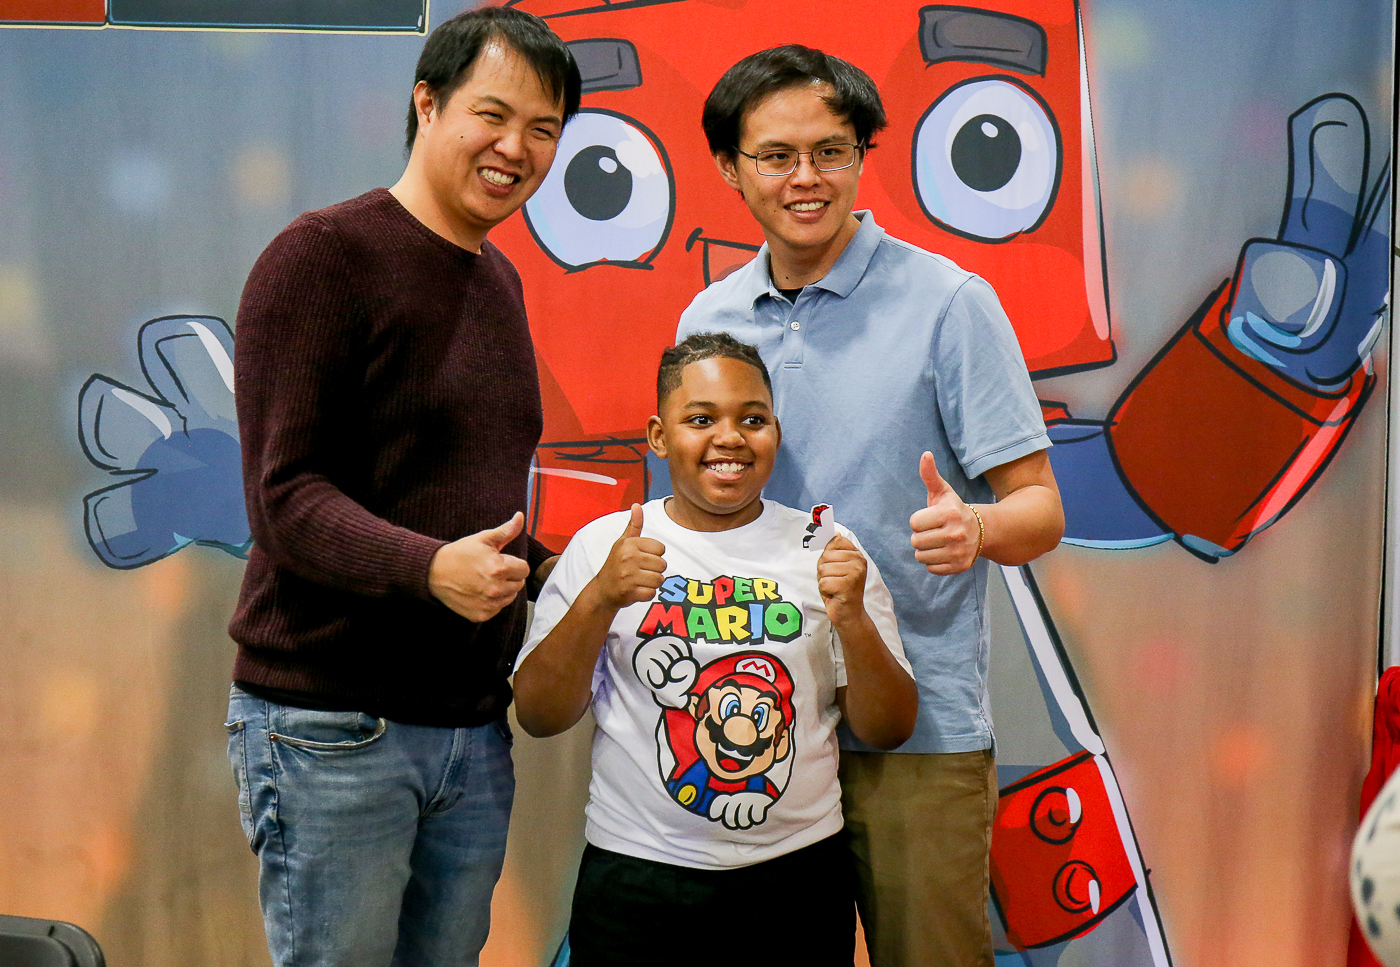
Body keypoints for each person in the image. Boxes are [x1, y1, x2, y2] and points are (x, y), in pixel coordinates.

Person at [676, 47, 1065, 967]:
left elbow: (1040, 509)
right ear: (730, 167)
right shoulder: (708, 319)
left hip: (918, 734)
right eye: (776, 156)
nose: (805, 178)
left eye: (831, 152)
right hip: (752, 723)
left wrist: (975, 526)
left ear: (861, 156)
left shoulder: (950, 302)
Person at [224, 9, 580, 966]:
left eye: (543, 129)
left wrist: (571, 570)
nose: (515, 149)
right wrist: (428, 570)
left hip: (472, 730)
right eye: (492, 115)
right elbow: (284, 495)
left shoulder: (499, 281)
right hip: (333, 727)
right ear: (427, 102)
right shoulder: (321, 256)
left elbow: (460, 506)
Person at [513, 332, 917, 967]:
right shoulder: (604, 546)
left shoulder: (825, 548)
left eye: (752, 420)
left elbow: (888, 727)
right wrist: (599, 599)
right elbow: (539, 714)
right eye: (701, 419)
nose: (729, 438)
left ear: (775, 433)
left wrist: (853, 619)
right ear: (658, 435)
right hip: (637, 878)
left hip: (797, 879)